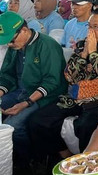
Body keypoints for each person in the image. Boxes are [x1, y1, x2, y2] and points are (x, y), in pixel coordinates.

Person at [29, 8, 98, 161]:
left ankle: (87, 163)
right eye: (89, 26)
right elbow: (69, 75)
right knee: (38, 120)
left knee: (86, 126)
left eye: (96, 27)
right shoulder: (83, 44)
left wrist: (93, 52)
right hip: (76, 96)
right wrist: (83, 55)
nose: (91, 31)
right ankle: (63, 157)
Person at [0, 12, 67, 163]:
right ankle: (8, 158)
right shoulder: (15, 46)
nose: (9, 44)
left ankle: (29, 160)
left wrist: (26, 103)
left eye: (11, 40)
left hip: (45, 96)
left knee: (13, 126)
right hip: (19, 91)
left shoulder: (48, 45)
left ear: (24, 30)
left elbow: (51, 82)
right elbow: (6, 75)